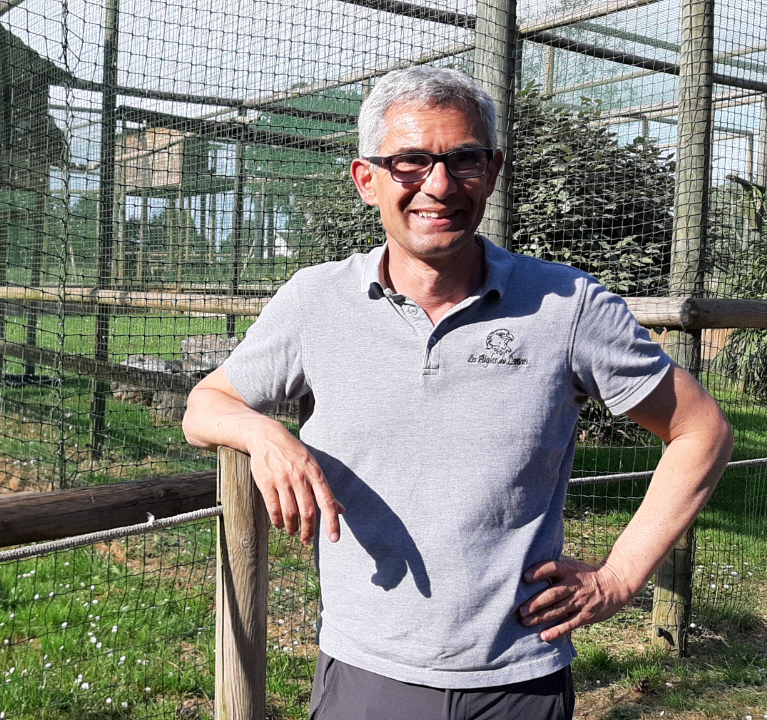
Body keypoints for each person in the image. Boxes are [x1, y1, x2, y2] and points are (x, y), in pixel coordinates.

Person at [181, 66, 733, 720]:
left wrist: (618, 577)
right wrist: (262, 433)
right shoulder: (315, 302)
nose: (438, 186)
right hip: (367, 674)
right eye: (410, 162)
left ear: (492, 172)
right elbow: (204, 406)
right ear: (368, 180)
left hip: (519, 682)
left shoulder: (567, 306)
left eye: (463, 159)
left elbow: (702, 431)